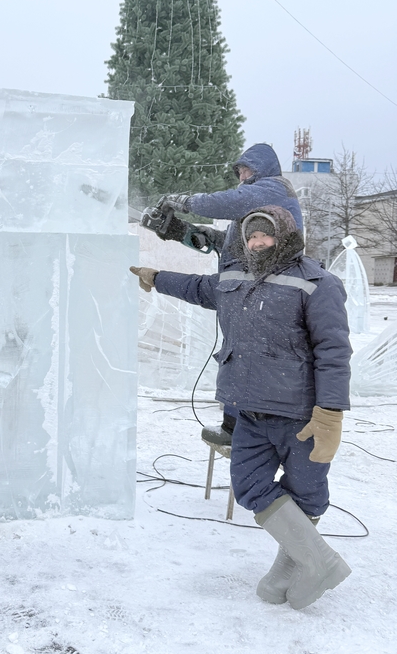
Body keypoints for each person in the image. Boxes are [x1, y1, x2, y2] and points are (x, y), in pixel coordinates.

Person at [130, 205, 352, 609]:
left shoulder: (318, 284)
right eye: (251, 236)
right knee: (250, 485)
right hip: (247, 410)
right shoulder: (234, 275)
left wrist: (330, 412)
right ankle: (319, 561)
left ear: (284, 237)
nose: (257, 242)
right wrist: (156, 277)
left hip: (300, 415)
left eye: (265, 235)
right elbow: (197, 287)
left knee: (306, 494)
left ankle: (293, 569)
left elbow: (333, 351)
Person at [146, 143, 303, 446]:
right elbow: (227, 244)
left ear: (262, 169)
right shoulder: (252, 209)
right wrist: (181, 231)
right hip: (242, 285)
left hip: (265, 286)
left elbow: (226, 202)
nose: (241, 175)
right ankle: (234, 427)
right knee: (237, 352)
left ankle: (248, 434)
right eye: (239, 170)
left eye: (247, 168)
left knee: (251, 353)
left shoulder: (273, 189)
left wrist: (184, 201)